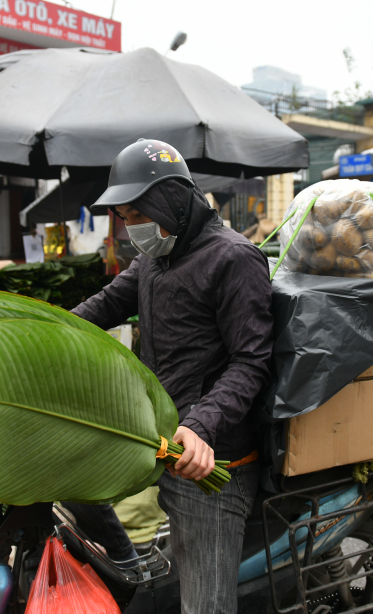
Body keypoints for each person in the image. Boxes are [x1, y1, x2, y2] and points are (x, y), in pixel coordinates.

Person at [70, 139, 274, 613]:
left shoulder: (233, 259)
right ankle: (129, 570)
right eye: (124, 217)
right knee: (71, 475)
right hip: (155, 433)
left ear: (171, 200)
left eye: (137, 214)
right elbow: (101, 307)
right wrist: (38, 333)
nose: (131, 228)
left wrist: (201, 426)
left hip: (209, 458)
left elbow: (251, 361)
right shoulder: (154, 259)